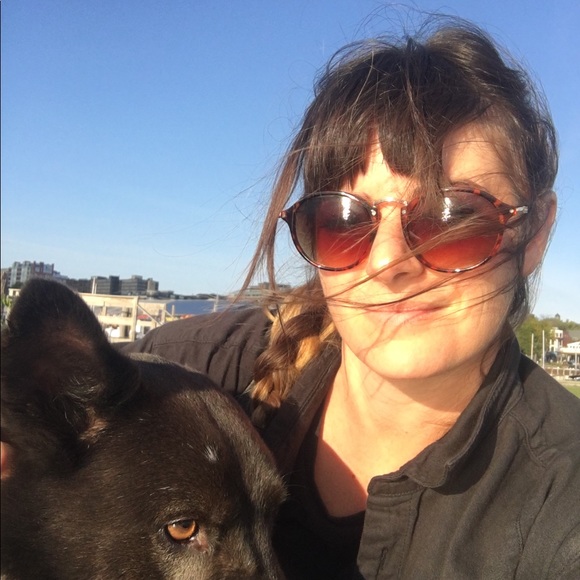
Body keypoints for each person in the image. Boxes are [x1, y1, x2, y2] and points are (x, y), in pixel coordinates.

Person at [3, 18, 579, 579]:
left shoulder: (560, 506)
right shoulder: (201, 368)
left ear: (534, 233)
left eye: (453, 218)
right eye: (344, 220)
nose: (387, 262)